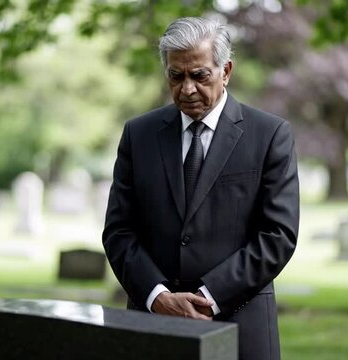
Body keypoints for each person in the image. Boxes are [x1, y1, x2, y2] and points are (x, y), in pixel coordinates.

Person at [103, 16, 299, 360]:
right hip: (151, 325)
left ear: (226, 71)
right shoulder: (138, 135)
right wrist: (157, 296)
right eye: (175, 76)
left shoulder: (270, 136)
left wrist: (210, 297)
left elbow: (278, 235)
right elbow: (119, 231)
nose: (187, 88)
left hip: (241, 327)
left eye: (199, 75)